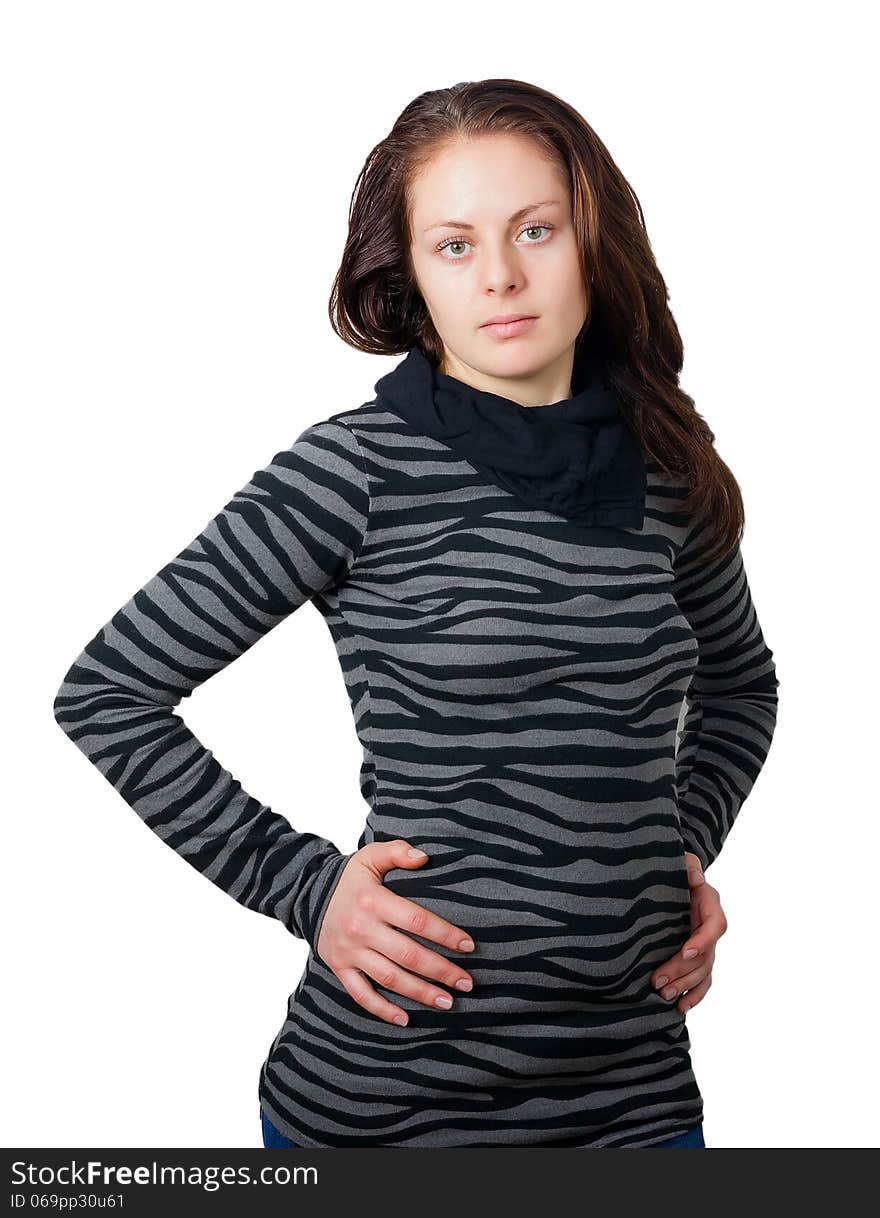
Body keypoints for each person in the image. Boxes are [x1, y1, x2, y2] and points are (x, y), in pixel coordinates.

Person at [53, 78, 779, 1150]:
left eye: (537, 229)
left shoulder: (669, 469)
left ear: (595, 241)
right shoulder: (351, 472)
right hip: (387, 1100)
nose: (500, 275)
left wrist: (677, 847)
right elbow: (109, 692)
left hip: (632, 1097)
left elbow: (741, 688)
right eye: (453, 245)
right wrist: (306, 890)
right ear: (411, 277)